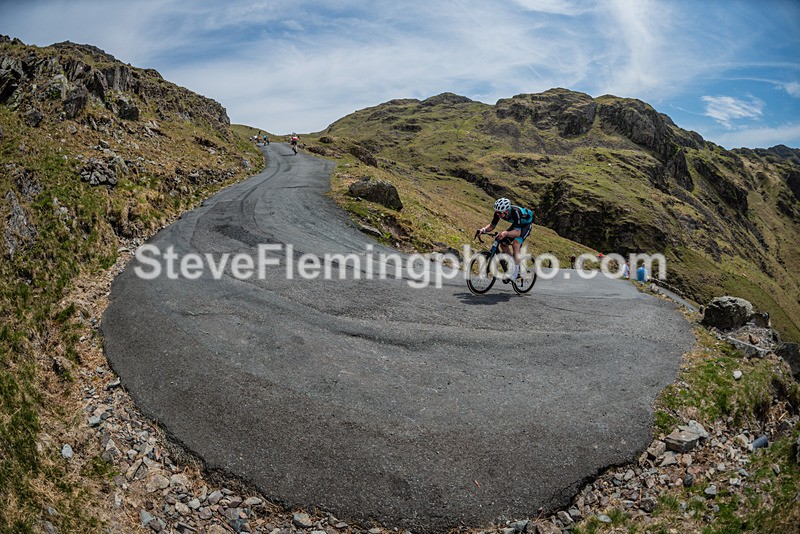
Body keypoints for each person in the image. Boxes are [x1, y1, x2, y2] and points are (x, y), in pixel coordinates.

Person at [476, 197, 534, 282]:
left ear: (506, 211)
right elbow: (492, 226)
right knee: (503, 243)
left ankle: (515, 272)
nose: (498, 215)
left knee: (516, 244)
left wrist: (506, 233)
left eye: (500, 213)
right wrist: (483, 230)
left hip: (526, 224)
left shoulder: (516, 212)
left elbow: (517, 233)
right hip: (516, 224)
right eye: (497, 213)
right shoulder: (498, 213)